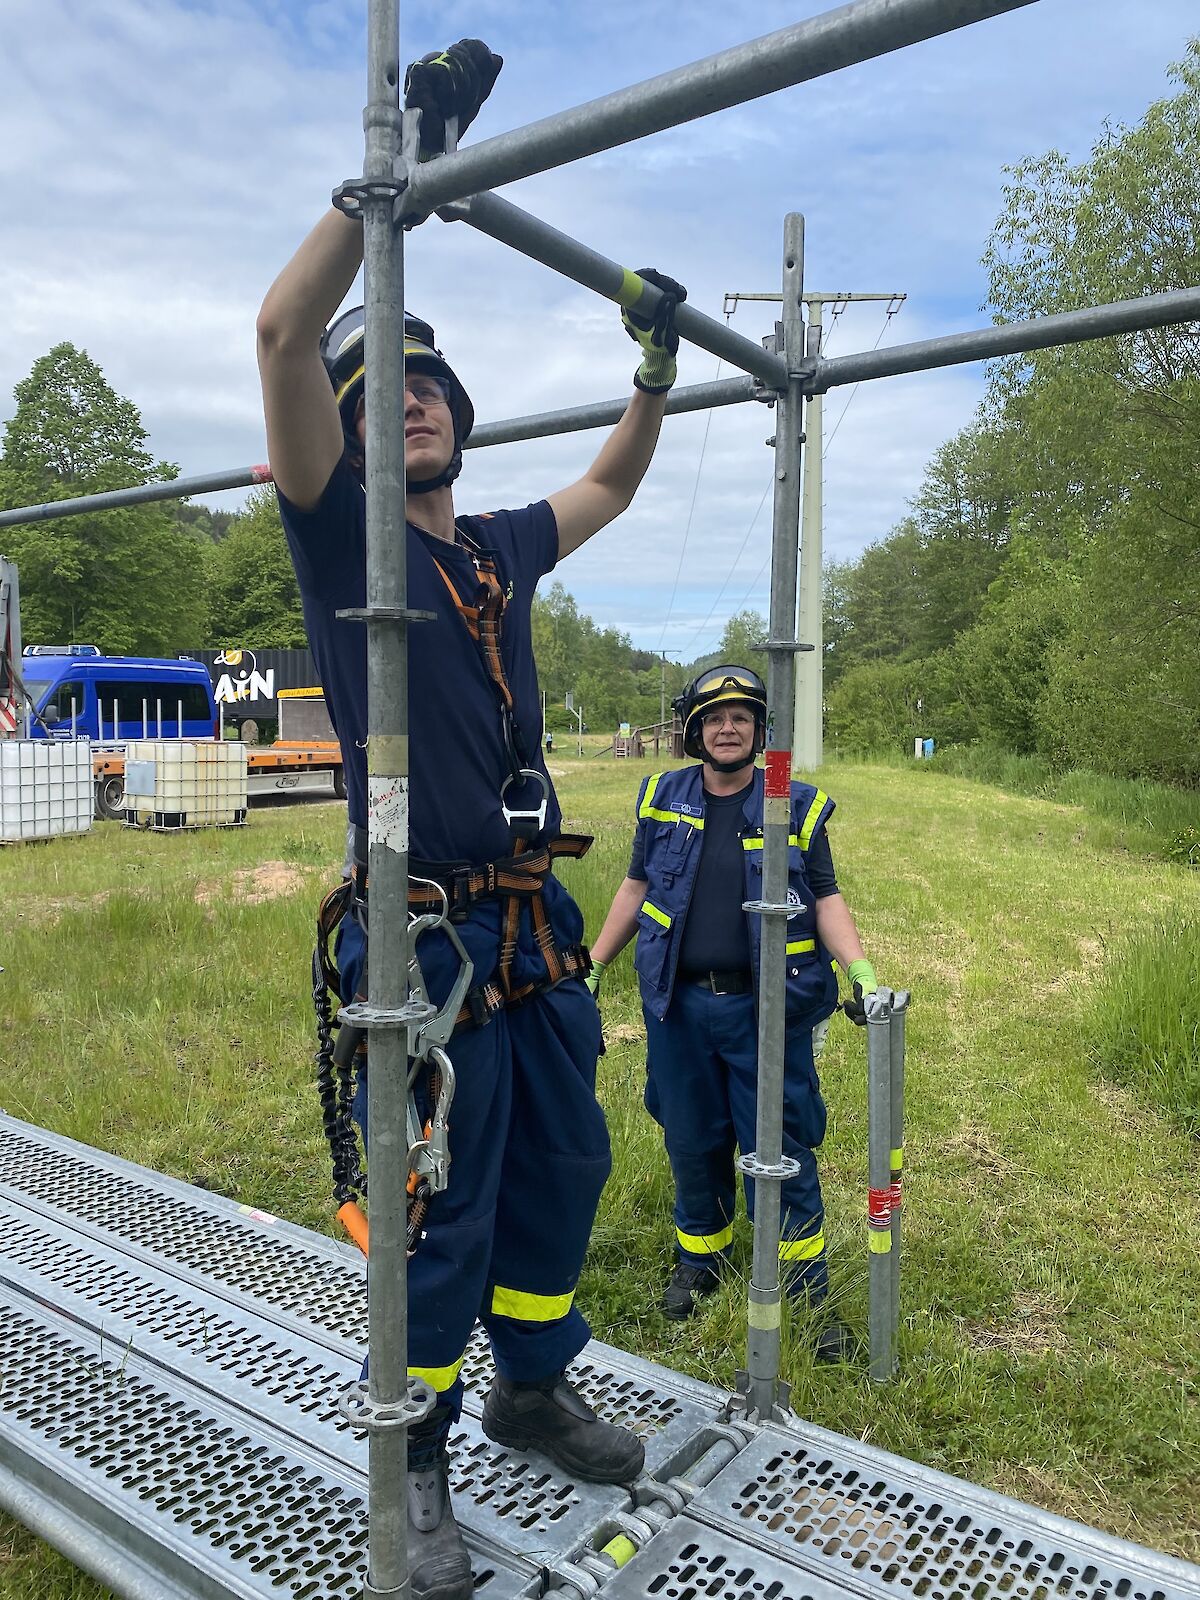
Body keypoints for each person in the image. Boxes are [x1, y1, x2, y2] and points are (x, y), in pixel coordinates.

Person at [255, 39, 687, 1600]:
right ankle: (416, 1460)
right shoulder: (334, 532)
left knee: (560, 1168)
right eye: (382, 393)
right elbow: (281, 327)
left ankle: (528, 1385)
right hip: (422, 931)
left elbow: (615, 490)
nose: (410, 404)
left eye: (429, 385)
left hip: (536, 929)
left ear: (460, 415)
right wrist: (398, 174)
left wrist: (654, 370)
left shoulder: (497, 546)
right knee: (434, 1205)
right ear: (352, 431)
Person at [586, 665, 878, 1352]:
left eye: (742, 718)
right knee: (691, 1139)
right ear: (695, 731)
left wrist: (859, 967)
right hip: (678, 1010)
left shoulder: (793, 805)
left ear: (759, 731)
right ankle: (702, 1260)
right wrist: (593, 964)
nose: (727, 728)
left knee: (780, 1143)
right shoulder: (663, 797)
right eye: (715, 719)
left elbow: (827, 895)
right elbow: (635, 888)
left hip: (766, 1012)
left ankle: (807, 1293)